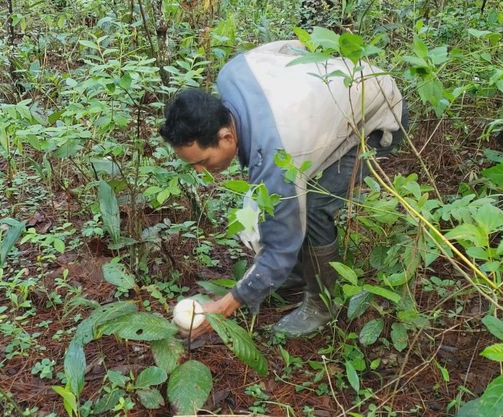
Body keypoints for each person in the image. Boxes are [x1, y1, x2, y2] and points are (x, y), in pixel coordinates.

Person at [159, 39, 407, 338]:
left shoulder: (277, 157)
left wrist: (225, 307)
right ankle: (299, 274)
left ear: (225, 137)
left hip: (379, 113)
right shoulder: (231, 73)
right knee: (292, 198)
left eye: (202, 161)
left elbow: (280, 247)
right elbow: (294, 45)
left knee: (313, 204)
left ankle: (320, 304)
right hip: (341, 95)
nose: (200, 172)